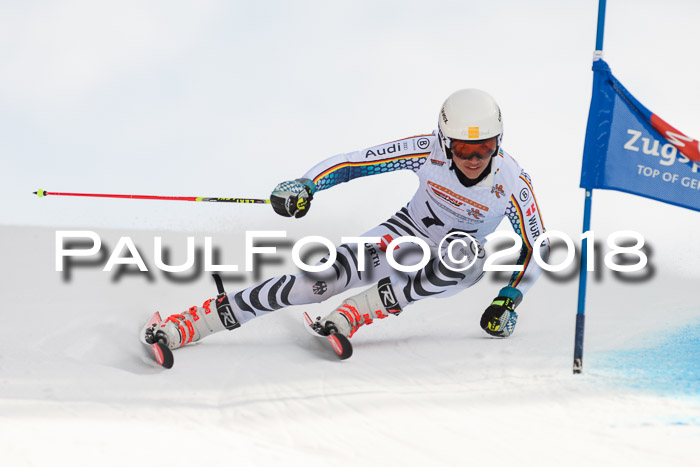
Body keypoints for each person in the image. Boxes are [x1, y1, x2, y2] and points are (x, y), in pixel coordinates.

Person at [149, 89, 550, 350]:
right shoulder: (425, 150)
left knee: (462, 251)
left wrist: (508, 298)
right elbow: (356, 163)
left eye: (485, 147)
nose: (474, 158)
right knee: (318, 281)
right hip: (405, 235)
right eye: (464, 147)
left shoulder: (513, 182)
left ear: (500, 142)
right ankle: (194, 324)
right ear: (446, 142)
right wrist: (306, 185)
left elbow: (536, 246)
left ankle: (359, 310)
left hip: (456, 260)